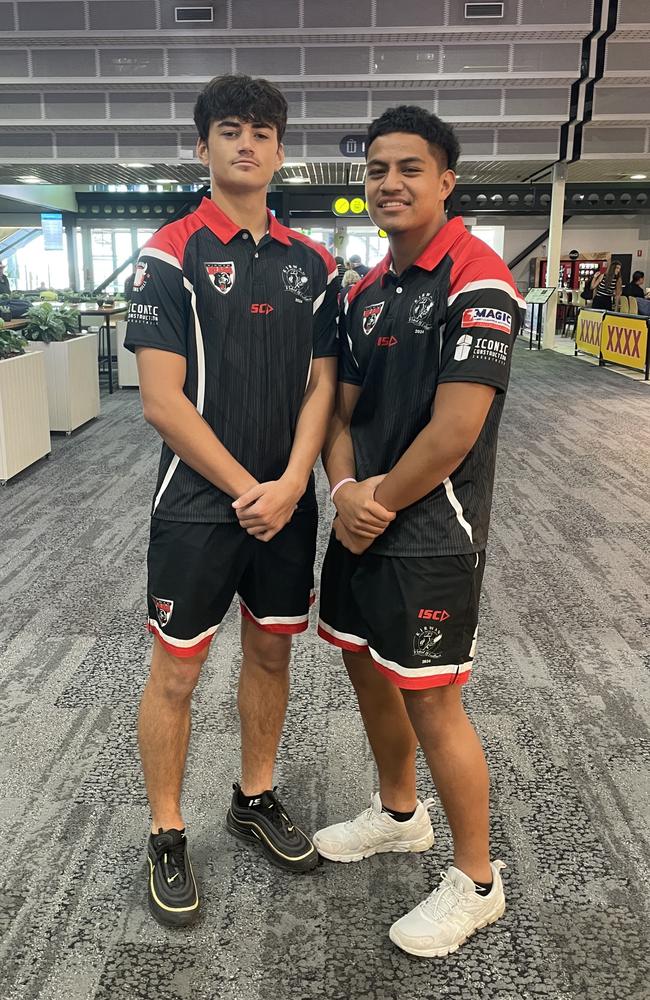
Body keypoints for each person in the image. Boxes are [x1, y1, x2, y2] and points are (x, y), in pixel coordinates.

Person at [124, 73, 338, 928]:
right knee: (176, 671)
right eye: (228, 130)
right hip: (197, 506)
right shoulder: (170, 253)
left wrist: (291, 483)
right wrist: (251, 487)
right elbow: (160, 401)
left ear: (281, 150)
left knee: (273, 656)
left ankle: (254, 797)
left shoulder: (315, 264)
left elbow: (325, 383)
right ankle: (167, 831)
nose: (245, 143)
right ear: (204, 145)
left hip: (286, 505)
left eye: (261, 131)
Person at [314, 105, 525, 958]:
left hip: (433, 530)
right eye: (375, 170)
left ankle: (477, 881)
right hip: (363, 517)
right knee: (369, 668)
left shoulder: (479, 278)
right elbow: (340, 410)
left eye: (408, 169)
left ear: (446, 181)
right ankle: (400, 814)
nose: (388, 184)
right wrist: (343, 488)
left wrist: (376, 501)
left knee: (434, 700)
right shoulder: (367, 291)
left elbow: (455, 429)